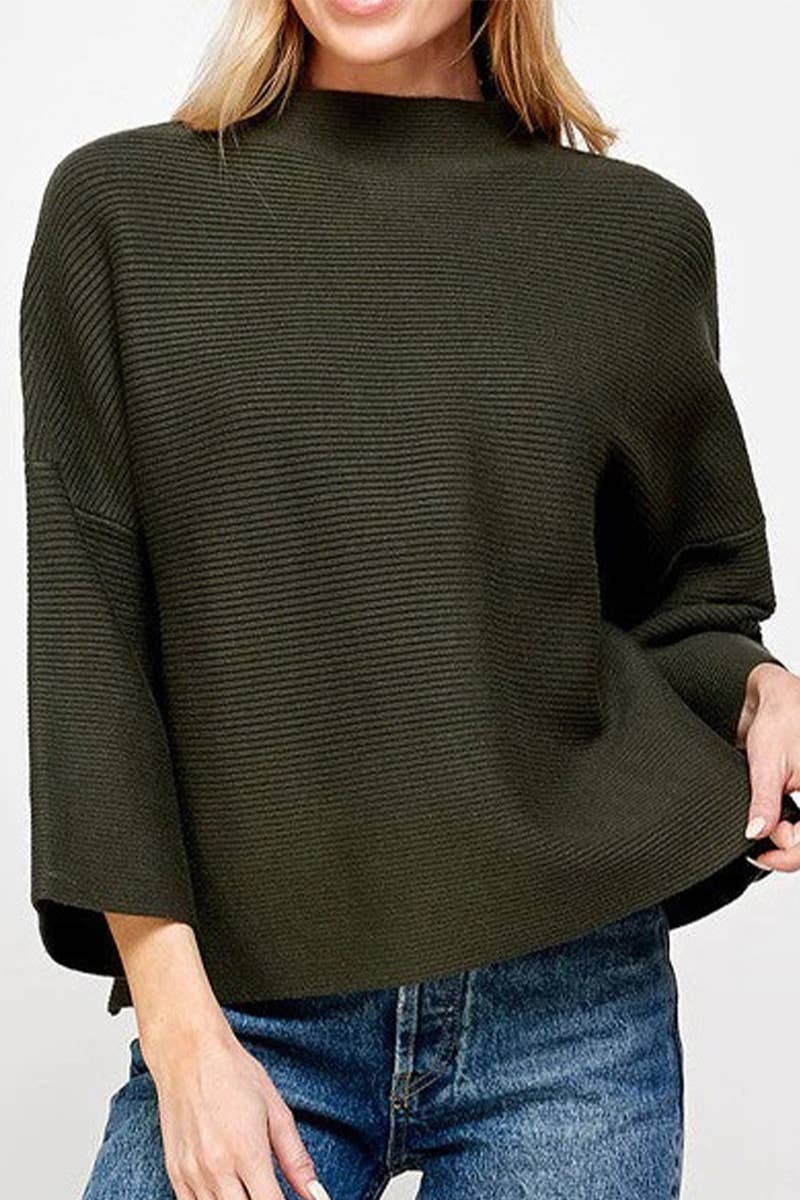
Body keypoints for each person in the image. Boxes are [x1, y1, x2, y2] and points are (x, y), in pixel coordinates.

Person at [19, 2, 800, 1198]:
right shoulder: (122, 212)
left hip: (570, 1007)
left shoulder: (632, 239)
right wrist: (179, 1033)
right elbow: (92, 640)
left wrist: (754, 688)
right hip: (248, 1005)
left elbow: (682, 604)